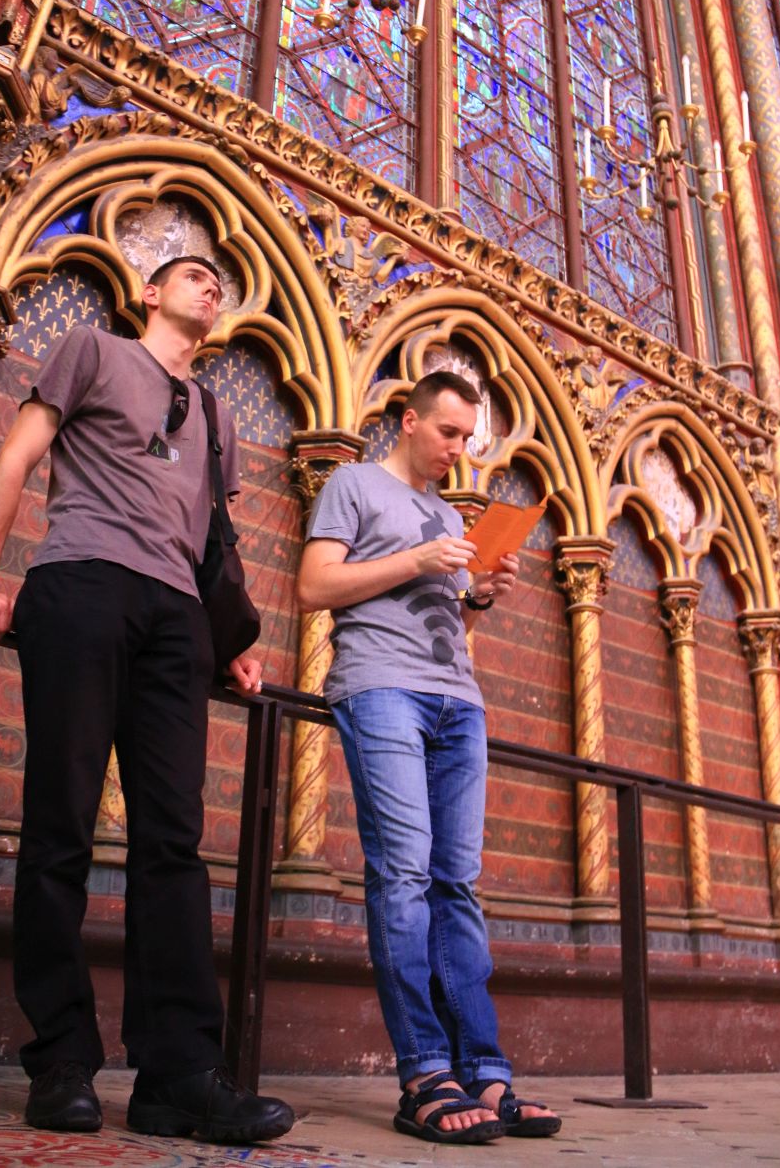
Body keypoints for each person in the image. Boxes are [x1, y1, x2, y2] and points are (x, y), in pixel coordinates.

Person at [0, 256, 294, 1144]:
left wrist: (231, 643)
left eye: (221, 283)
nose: (211, 287)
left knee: (173, 844)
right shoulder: (93, 351)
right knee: (61, 823)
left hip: (179, 621)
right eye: (194, 275)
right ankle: (61, 1061)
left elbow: (213, 539)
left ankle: (178, 1075)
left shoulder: (219, 414)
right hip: (83, 582)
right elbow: (19, 454)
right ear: (149, 292)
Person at [297, 371, 562, 1144]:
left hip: (457, 701)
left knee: (457, 886)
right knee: (405, 875)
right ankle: (423, 1073)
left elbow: (447, 620)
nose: (458, 449)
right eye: (448, 432)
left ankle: (483, 1070)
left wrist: (479, 593)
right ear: (409, 421)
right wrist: (419, 560)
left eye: (467, 437)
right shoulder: (352, 484)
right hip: (380, 687)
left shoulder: (449, 514)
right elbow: (314, 586)